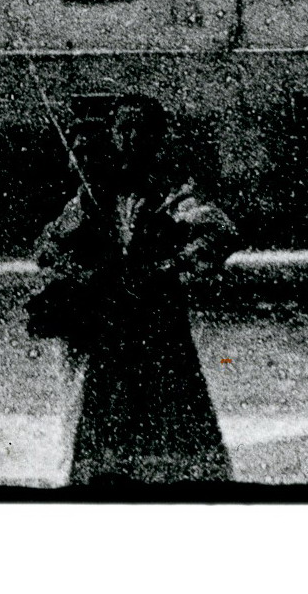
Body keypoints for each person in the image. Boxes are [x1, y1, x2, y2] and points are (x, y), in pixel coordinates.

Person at [33, 95, 241, 484]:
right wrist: (84, 273)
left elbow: (220, 231)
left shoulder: (172, 189)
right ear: (111, 135)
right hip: (112, 329)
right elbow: (47, 246)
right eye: (122, 129)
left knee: (171, 420)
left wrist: (172, 265)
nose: (131, 138)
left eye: (141, 130)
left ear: (158, 138)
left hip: (160, 326)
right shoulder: (95, 192)